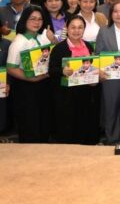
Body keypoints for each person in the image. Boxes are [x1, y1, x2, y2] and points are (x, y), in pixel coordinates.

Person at [47, 16, 101, 145]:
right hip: (67, 97)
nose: (76, 31)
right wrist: (62, 71)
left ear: (84, 29)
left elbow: (93, 66)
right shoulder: (59, 48)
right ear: (67, 28)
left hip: (86, 94)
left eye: (80, 27)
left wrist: (96, 78)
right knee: (69, 129)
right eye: (73, 27)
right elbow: (51, 70)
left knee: (86, 126)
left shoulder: (89, 46)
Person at [5, 5, 53, 143]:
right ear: (25, 20)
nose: (36, 22)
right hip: (26, 88)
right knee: (29, 124)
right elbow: (11, 68)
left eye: (39, 19)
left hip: (43, 85)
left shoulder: (42, 37)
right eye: (32, 19)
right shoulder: (19, 41)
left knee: (43, 121)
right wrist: (31, 79)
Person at [94, 1, 120, 144]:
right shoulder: (104, 31)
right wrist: (100, 71)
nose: (119, 14)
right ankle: (111, 137)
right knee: (111, 107)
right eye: (115, 11)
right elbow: (98, 53)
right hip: (110, 76)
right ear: (111, 14)